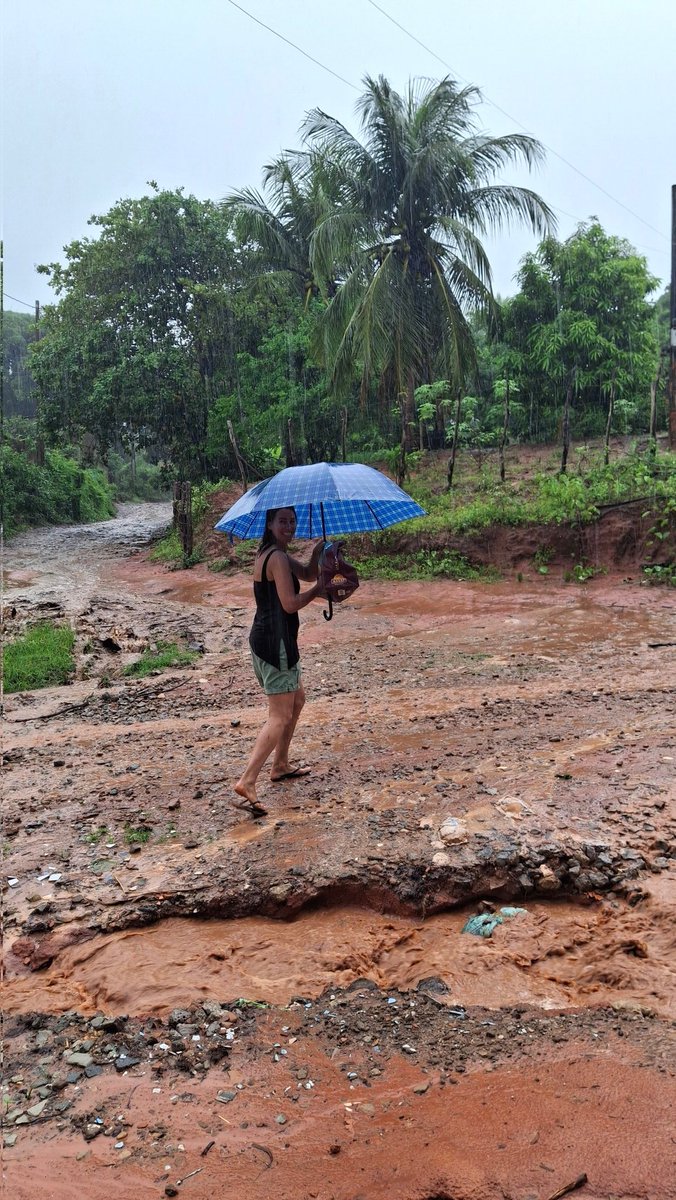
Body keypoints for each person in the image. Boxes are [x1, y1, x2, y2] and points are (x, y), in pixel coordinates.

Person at [234, 506, 324, 817]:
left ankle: (281, 764)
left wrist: (318, 554)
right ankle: (247, 780)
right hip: (277, 644)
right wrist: (320, 591)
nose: (289, 525)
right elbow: (290, 603)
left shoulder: (274, 554)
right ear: (270, 524)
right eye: (282, 521)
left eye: (292, 520)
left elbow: (308, 573)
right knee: (280, 715)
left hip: (271, 640)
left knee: (297, 700)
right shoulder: (276, 558)